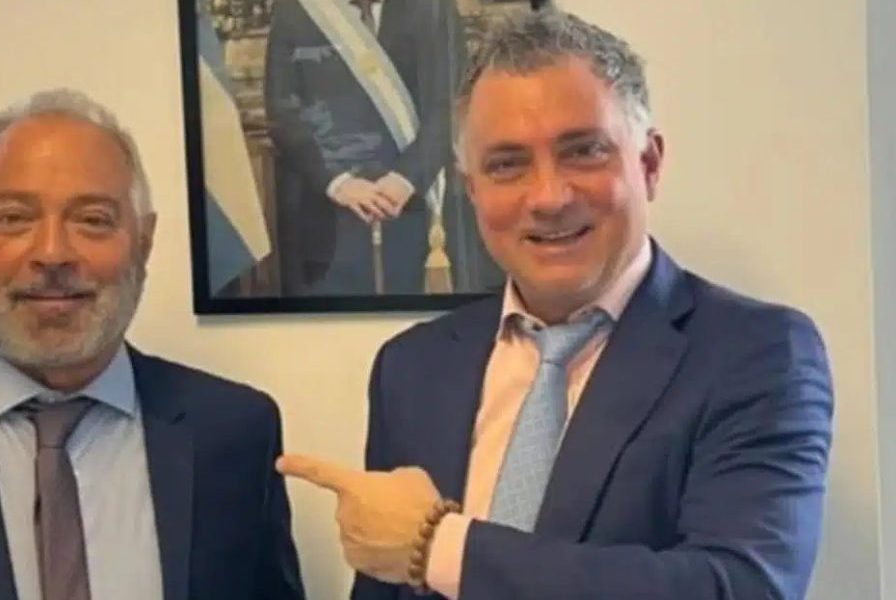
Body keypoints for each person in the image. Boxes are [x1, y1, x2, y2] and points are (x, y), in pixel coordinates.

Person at [277, 5, 833, 599]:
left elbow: (740, 587)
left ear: (648, 164)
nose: (548, 197)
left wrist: (439, 547)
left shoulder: (755, 355)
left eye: (583, 151)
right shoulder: (411, 368)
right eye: (507, 164)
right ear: (472, 191)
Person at [0, 89, 305, 600]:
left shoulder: (235, 434)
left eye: (92, 219)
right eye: (14, 218)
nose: (53, 253)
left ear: (144, 240)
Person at [265, 0, 485, 295]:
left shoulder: (433, 8)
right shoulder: (297, 9)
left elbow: (452, 105)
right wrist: (337, 183)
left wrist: (406, 178)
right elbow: (282, 113)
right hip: (326, 223)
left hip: (413, 209)